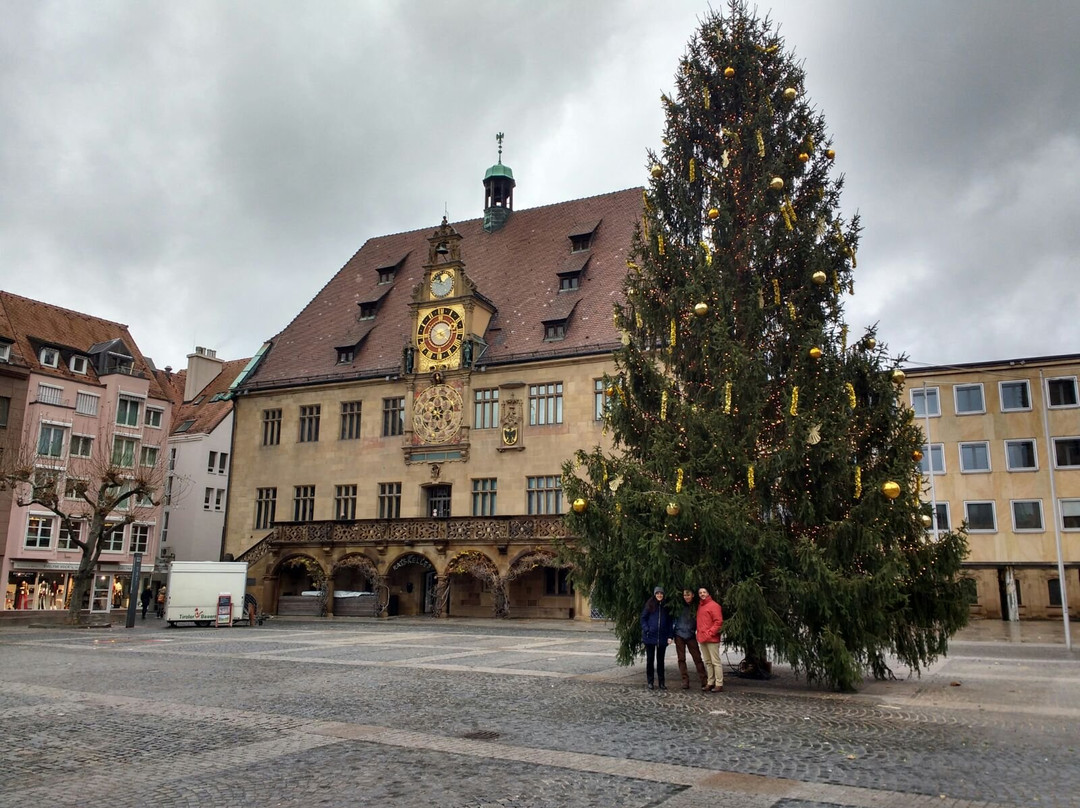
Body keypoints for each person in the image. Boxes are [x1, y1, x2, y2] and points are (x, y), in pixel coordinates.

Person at [640, 585, 675, 690]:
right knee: (650, 660)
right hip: (650, 637)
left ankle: (661, 682)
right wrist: (647, 629)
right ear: (654, 594)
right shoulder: (649, 605)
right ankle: (650, 682)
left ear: (663, 595)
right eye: (657, 593)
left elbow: (670, 622)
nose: (659, 595)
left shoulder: (666, 606)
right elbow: (643, 618)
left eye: (661, 593)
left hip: (662, 637)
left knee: (661, 661)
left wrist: (670, 636)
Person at [674, 589, 709, 691]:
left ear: (693, 595)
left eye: (688, 595)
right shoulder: (679, 606)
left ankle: (704, 680)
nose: (686, 597)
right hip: (679, 634)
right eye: (685, 595)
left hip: (691, 634)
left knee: (697, 658)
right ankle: (685, 680)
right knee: (681, 659)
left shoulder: (696, 606)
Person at [696, 586, 724, 692]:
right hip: (703, 638)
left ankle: (719, 683)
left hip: (712, 638)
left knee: (715, 662)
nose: (702, 594)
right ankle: (710, 682)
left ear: (708, 593)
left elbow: (718, 622)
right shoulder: (700, 606)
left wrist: (710, 633)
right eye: (700, 592)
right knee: (708, 662)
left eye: (704, 592)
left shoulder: (714, 606)